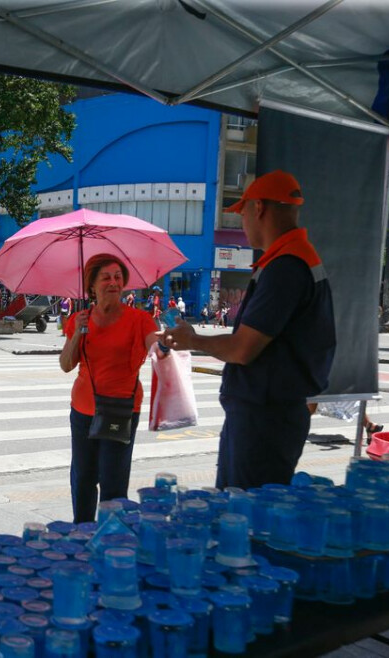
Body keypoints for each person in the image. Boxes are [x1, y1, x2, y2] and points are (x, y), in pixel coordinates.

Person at [161, 170, 336, 490]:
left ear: (258, 209)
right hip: (266, 414)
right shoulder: (290, 260)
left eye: (242, 212)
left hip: (265, 419)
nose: (241, 222)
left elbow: (243, 348)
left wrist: (192, 339)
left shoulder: (286, 266)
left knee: (245, 516)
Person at [59, 254, 163, 523]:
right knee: (82, 478)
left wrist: (164, 344)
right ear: (91, 285)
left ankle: (111, 541)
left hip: (121, 410)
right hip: (83, 411)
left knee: (113, 482)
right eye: (106, 277)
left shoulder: (139, 319)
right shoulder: (78, 319)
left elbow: (156, 346)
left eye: (118, 277)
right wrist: (77, 333)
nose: (113, 282)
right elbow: (66, 365)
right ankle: (81, 534)